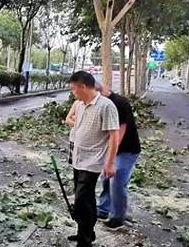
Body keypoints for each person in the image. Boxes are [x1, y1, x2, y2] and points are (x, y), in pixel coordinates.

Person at [68, 71, 120, 247]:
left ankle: (86, 240)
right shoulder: (81, 104)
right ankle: (84, 232)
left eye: (74, 89)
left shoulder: (106, 106)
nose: (73, 93)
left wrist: (110, 162)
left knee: (83, 198)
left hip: (93, 161)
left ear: (83, 87)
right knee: (83, 198)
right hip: (78, 158)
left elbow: (114, 136)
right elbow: (78, 126)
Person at [95, 83, 141, 230]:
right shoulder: (102, 104)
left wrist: (110, 158)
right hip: (113, 149)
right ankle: (103, 209)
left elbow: (118, 134)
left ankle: (117, 217)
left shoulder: (120, 103)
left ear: (99, 92)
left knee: (117, 181)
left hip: (127, 150)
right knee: (105, 178)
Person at [65, 99, 81, 165]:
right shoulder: (77, 103)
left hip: (86, 141)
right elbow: (68, 120)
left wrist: (75, 118)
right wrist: (79, 123)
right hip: (74, 137)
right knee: (74, 162)